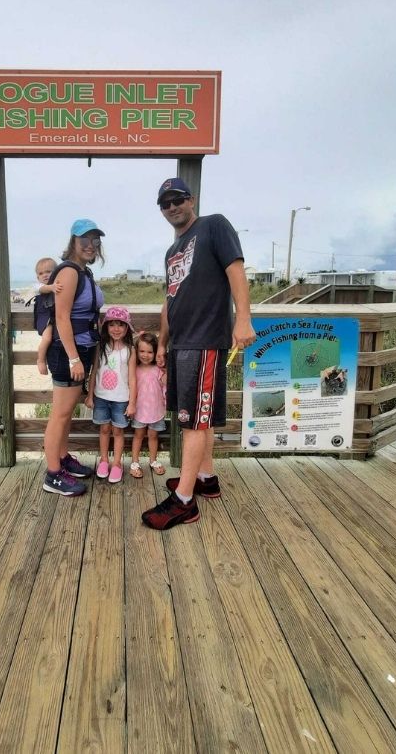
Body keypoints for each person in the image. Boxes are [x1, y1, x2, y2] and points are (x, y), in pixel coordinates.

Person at [141, 178, 256, 530]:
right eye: (165, 203)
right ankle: (206, 478)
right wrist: (162, 342)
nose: (172, 207)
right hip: (181, 342)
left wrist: (244, 320)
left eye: (177, 199)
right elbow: (169, 299)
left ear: (191, 200)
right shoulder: (171, 250)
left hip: (205, 339)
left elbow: (236, 271)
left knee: (192, 421)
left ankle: (184, 501)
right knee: (197, 417)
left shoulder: (214, 226)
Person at [43, 219, 105, 496]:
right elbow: (61, 317)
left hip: (82, 348)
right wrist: (73, 359)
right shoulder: (69, 272)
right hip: (69, 351)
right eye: (85, 240)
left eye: (95, 240)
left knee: (67, 413)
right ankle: (53, 474)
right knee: (60, 414)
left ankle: (64, 458)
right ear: (73, 242)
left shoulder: (84, 272)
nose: (91, 245)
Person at [85, 306, 136, 484]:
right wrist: (90, 395)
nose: (116, 329)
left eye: (120, 325)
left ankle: (116, 464)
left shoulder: (130, 350)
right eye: (112, 325)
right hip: (101, 397)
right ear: (106, 327)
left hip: (121, 399)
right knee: (104, 429)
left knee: (118, 431)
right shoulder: (101, 347)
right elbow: (94, 372)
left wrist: (132, 403)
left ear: (127, 327)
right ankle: (104, 460)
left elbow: (132, 379)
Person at [129, 331, 167, 478]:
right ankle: (135, 462)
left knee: (153, 436)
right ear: (136, 351)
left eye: (150, 352)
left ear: (156, 352)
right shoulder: (134, 369)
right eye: (142, 351)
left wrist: (166, 370)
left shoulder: (158, 369)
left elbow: (164, 384)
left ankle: (153, 460)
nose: (145, 355)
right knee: (138, 435)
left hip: (156, 410)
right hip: (139, 410)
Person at [28, 257, 63, 374]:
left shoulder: (59, 284)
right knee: (47, 337)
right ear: (37, 277)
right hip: (45, 316)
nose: (45, 275)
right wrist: (52, 287)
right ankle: (41, 360)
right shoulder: (38, 287)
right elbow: (44, 289)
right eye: (41, 273)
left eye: (48, 271)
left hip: (56, 316)